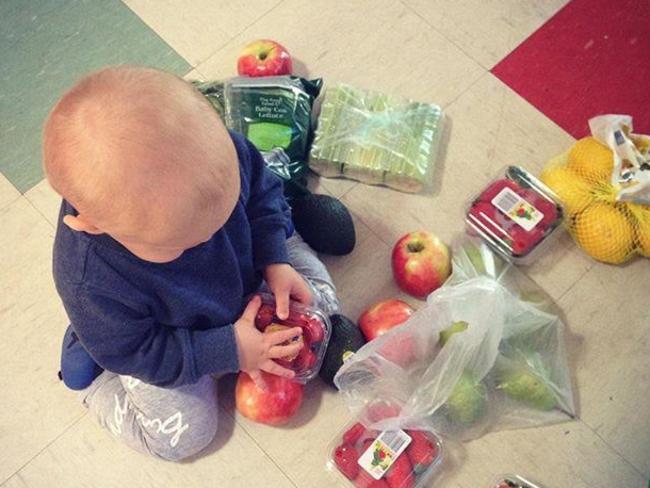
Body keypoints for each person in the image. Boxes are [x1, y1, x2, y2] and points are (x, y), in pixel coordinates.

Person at [43, 65, 340, 461]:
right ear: (92, 226)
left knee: (323, 304)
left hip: (246, 274)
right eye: (184, 244)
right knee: (183, 438)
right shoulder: (90, 281)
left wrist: (274, 258)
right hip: (163, 337)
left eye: (222, 217)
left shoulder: (217, 153)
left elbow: (263, 196)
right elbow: (142, 353)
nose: (210, 240)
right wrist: (226, 349)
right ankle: (94, 372)